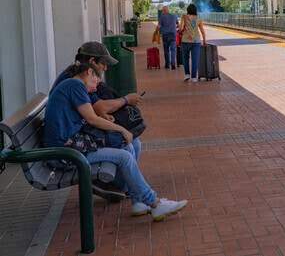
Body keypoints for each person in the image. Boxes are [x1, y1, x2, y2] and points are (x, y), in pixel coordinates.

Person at [44, 61, 188, 221]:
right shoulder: (75, 85)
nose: (94, 89)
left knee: (126, 148)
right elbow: (91, 119)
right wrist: (122, 129)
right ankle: (154, 203)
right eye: (95, 83)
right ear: (89, 72)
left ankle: (138, 202)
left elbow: (81, 116)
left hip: (69, 146)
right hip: (65, 153)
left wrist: (101, 116)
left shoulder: (71, 84)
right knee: (124, 156)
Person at [51, 41, 144, 201]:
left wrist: (103, 116)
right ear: (92, 63)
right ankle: (137, 194)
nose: (105, 69)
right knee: (127, 146)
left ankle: (122, 187)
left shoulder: (77, 78)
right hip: (70, 143)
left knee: (134, 143)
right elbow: (97, 110)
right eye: (103, 64)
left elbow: (92, 109)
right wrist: (125, 100)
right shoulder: (75, 81)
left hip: (76, 134)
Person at [177, 3, 207, 82]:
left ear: (188, 10)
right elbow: (202, 32)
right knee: (195, 59)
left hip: (186, 40)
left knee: (185, 58)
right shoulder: (199, 19)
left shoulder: (184, 17)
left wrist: (181, 29)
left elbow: (181, 28)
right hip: (196, 41)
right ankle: (194, 77)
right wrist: (204, 41)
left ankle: (187, 74)